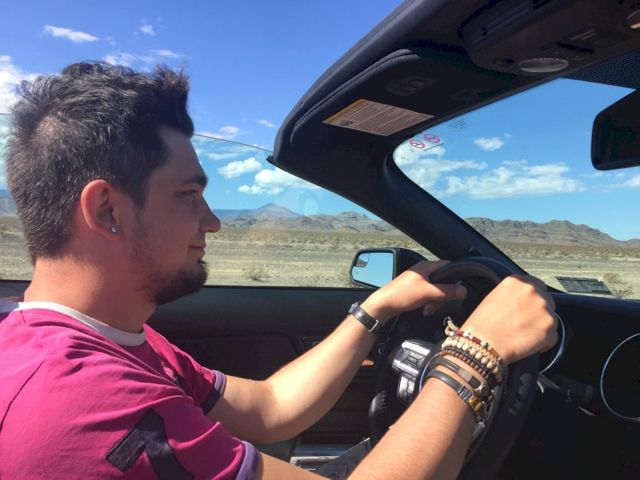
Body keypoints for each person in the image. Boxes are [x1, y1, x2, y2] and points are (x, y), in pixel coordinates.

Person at [0, 63, 557, 480]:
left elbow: (269, 408)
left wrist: (378, 306)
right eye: (189, 195)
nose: (212, 221)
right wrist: (475, 355)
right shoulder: (86, 405)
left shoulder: (107, 343)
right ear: (107, 212)